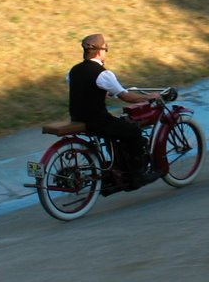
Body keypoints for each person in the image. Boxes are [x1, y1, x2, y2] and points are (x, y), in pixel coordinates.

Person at [68, 34, 164, 182]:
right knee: (134, 132)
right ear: (100, 51)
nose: (106, 52)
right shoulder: (103, 74)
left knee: (119, 129)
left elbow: (82, 89)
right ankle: (137, 176)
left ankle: (118, 166)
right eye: (106, 48)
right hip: (97, 120)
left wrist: (102, 92)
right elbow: (125, 97)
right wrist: (149, 97)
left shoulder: (73, 71)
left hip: (77, 117)